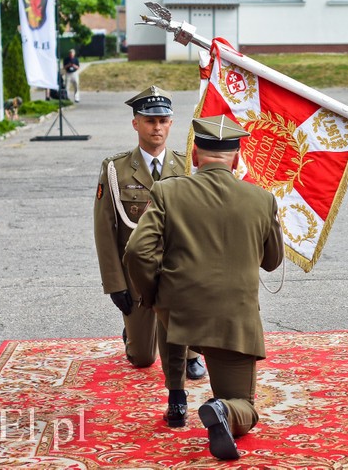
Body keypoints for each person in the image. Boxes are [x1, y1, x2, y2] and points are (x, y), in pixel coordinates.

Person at [123, 114, 284, 461]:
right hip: (233, 318)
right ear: (237, 159)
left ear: (195, 156)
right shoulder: (262, 199)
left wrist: (154, 297)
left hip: (178, 309)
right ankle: (224, 410)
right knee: (246, 407)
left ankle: (176, 395)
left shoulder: (166, 190)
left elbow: (137, 251)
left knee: (172, 320)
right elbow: (272, 261)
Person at [93, 86, 208, 427]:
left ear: (171, 124)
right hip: (137, 276)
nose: (156, 128)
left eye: (162, 121)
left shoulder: (187, 166)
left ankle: (190, 350)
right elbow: (105, 229)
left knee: (185, 342)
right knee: (142, 359)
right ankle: (132, 333)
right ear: (135, 124)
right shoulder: (115, 170)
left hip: (177, 274)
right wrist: (115, 285)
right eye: (149, 121)